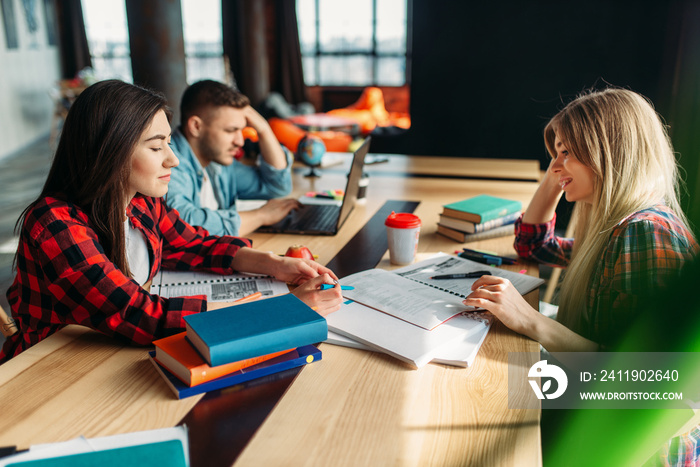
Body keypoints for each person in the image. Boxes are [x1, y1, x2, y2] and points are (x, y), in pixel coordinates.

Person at [0, 80, 343, 364]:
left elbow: (192, 244)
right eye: (156, 147)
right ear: (110, 152)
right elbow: (139, 316)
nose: (174, 159)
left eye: (168, 142)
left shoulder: (142, 202)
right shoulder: (53, 225)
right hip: (49, 371)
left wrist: (272, 264)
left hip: (105, 355)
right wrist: (282, 309)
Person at [462, 88, 699, 465]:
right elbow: (534, 246)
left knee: (476, 404)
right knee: (478, 383)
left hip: (635, 448)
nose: (556, 163)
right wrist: (563, 169)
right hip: (594, 405)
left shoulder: (647, 233)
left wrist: (530, 321)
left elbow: (648, 384)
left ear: (610, 152)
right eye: (556, 152)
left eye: (568, 151)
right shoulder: (613, 225)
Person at [166, 80, 301, 236]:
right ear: (196, 126)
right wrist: (261, 216)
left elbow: (277, 187)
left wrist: (264, 129)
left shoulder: (217, 162)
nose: (240, 141)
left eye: (241, 130)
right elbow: (182, 223)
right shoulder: (169, 163)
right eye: (231, 130)